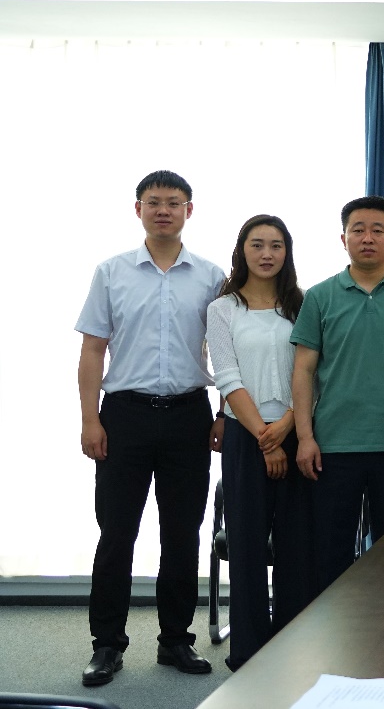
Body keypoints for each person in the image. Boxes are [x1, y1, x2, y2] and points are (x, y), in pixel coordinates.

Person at [76, 170, 225, 686]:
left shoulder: (211, 276)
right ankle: (107, 645)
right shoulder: (111, 272)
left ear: (189, 210)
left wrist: (223, 413)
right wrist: (90, 418)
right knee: (117, 533)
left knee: (181, 533)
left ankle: (175, 639)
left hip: (189, 415)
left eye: (174, 202)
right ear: (137, 208)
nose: (164, 210)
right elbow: (92, 349)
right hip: (125, 416)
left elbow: (229, 352)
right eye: (154, 202)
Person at [291, 195, 384, 592]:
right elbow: (303, 370)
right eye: (358, 230)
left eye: (377, 230)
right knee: (330, 552)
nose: (367, 238)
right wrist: (305, 437)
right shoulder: (319, 296)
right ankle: (333, 628)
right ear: (343, 238)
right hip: (333, 444)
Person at [206, 214, 316, 671]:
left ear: (287, 252)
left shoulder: (303, 304)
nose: (267, 254)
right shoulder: (222, 309)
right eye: (257, 244)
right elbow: (227, 376)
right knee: (247, 545)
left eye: (276, 245)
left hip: (298, 434)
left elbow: (312, 371)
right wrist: (266, 441)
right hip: (244, 435)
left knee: (296, 545)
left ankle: (292, 646)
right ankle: (248, 652)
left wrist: (289, 425)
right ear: (242, 251)